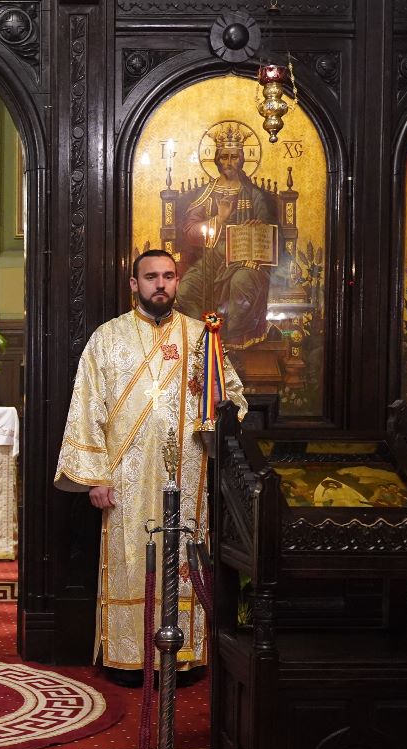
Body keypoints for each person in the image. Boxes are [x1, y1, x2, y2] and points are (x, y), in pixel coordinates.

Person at [56, 249, 247, 686]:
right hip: (126, 479)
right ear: (134, 284)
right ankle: (130, 657)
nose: (160, 284)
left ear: (177, 281)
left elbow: (233, 399)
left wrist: (218, 411)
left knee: (184, 558)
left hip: (188, 471)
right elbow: (87, 408)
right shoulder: (107, 338)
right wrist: (95, 477)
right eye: (151, 277)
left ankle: (184, 657)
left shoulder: (201, 337)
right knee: (131, 559)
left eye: (168, 276)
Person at [174, 125, 280, 350]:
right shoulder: (206, 194)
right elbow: (190, 231)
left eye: (234, 156)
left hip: (246, 260)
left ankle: (230, 341)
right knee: (186, 289)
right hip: (212, 257)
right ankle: (204, 334)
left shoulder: (254, 195)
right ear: (217, 160)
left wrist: (257, 229)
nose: (229, 162)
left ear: (242, 160)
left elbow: (268, 235)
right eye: (224, 157)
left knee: (241, 282)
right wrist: (219, 219)